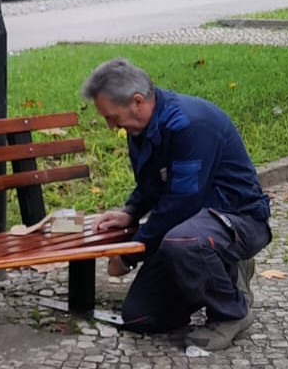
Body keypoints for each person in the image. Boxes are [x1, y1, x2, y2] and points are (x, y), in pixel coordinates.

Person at [81, 57, 271, 351]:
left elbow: (180, 206)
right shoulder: (139, 128)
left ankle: (231, 313)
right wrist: (129, 213)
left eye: (111, 116)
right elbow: (151, 186)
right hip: (191, 225)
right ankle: (219, 271)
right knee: (140, 316)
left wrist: (130, 254)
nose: (109, 125)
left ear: (138, 101)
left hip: (238, 218)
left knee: (183, 241)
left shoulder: (191, 125)